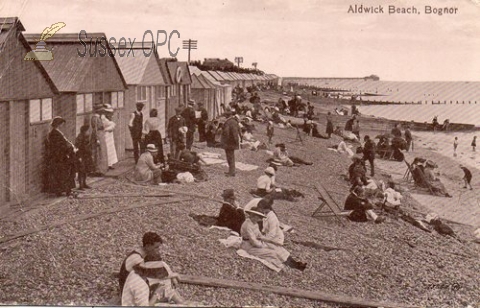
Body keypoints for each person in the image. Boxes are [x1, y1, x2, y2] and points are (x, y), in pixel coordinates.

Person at [240, 208, 306, 271]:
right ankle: (286, 267)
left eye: (260, 217)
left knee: (278, 249)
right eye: (258, 217)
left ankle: (295, 265)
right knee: (272, 253)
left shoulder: (254, 223)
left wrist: (264, 240)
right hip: (248, 246)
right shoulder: (247, 225)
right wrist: (262, 245)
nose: (259, 219)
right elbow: (253, 240)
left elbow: (259, 234)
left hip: (257, 243)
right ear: (252, 215)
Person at [45, 116, 77, 196]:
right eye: (61, 124)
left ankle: (65, 189)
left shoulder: (57, 132)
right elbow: (59, 146)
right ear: (58, 124)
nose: (62, 125)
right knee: (62, 173)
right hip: (59, 156)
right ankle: (62, 190)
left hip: (61, 155)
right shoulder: (54, 133)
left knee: (64, 172)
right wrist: (68, 149)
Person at [221, 112, 241, 177]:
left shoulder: (231, 122)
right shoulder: (232, 121)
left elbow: (234, 133)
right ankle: (231, 171)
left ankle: (232, 172)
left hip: (230, 142)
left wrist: (236, 142)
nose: (224, 116)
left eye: (225, 115)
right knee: (229, 157)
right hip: (229, 142)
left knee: (230, 157)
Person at [90, 105, 107, 176]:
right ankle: (97, 170)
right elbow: (95, 129)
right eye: (101, 111)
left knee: (102, 152)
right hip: (98, 136)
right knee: (98, 153)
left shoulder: (98, 118)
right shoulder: (95, 118)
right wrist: (97, 139)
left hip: (101, 135)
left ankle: (101, 169)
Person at [75, 125, 93, 190]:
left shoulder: (86, 137)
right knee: (81, 170)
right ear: (84, 131)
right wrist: (79, 156)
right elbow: (77, 147)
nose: (89, 132)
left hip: (86, 156)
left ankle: (84, 183)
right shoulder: (80, 137)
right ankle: (81, 185)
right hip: (81, 156)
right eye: (88, 131)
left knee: (85, 170)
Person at [100, 104, 118, 170]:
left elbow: (112, 125)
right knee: (107, 148)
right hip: (106, 134)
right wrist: (111, 126)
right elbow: (110, 125)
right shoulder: (103, 118)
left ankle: (110, 163)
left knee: (111, 148)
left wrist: (112, 126)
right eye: (108, 112)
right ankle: (106, 164)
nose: (110, 114)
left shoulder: (108, 117)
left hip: (109, 135)